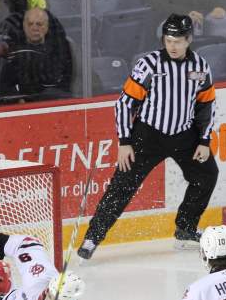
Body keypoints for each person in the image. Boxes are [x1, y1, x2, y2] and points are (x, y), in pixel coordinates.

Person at [77, 14, 218, 259]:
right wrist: (125, 142)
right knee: (121, 188)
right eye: (168, 40)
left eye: (178, 40)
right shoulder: (149, 64)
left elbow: (206, 104)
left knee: (207, 175)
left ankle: (185, 229)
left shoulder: (200, 66)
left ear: (189, 40)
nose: (172, 46)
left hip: (185, 135)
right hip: (147, 136)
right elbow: (124, 104)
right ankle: (92, 238)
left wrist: (204, 140)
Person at [0, 7, 73, 105]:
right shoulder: (12, 52)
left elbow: (67, 77)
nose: (34, 28)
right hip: (22, 105)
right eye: (30, 24)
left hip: (53, 101)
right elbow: (3, 84)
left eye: (39, 24)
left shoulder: (59, 48)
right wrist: (17, 99)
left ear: (47, 26)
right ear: (24, 26)